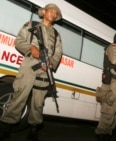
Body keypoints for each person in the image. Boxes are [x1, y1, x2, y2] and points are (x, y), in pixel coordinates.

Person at [0, 3, 63, 141]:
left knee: (38, 102)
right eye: (51, 10)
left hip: (45, 71)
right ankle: (6, 128)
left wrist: (51, 63)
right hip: (29, 66)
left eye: (56, 13)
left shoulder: (56, 34)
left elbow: (58, 52)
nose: (54, 13)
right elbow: (18, 41)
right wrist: (31, 49)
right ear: (44, 12)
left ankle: (34, 130)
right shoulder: (31, 25)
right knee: (19, 97)